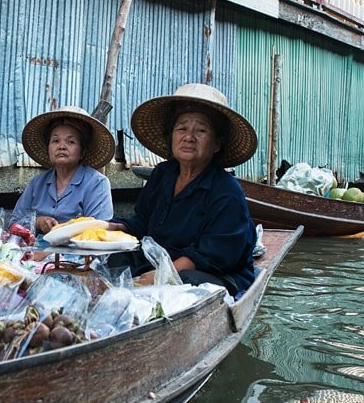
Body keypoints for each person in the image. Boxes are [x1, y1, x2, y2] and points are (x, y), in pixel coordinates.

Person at [105, 83, 258, 296]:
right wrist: (107, 228)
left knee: (186, 282)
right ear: (172, 137)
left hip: (210, 272)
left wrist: (159, 276)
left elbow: (211, 255)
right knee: (115, 258)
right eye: (182, 128)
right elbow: (142, 223)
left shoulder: (226, 190)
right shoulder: (162, 174)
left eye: (201, 130)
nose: (189, 137)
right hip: (161, 260)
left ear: (216, 144)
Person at [11, 106, 116, 235]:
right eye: (55, 141)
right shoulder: (37, 184)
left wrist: (72, 227)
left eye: (70, 142)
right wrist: (37, 222)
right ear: (48, 147)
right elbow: (14, 223)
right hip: (34, 251)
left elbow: (100, 231)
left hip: (77, 253)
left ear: (82, 151)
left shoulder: (97, 183)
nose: (61, 146)